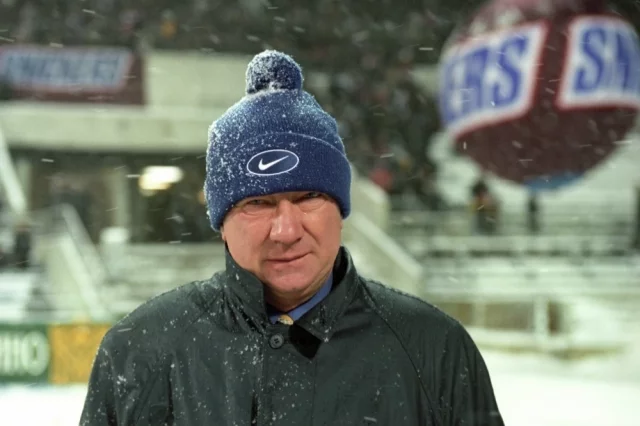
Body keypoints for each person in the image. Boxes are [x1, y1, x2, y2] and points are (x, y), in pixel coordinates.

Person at [81, 50, 504, 426]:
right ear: (221, 222)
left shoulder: (435, 351)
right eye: (258, 203)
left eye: (309, 198)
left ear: (340, 210)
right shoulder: (139, 352)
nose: (286, 231)